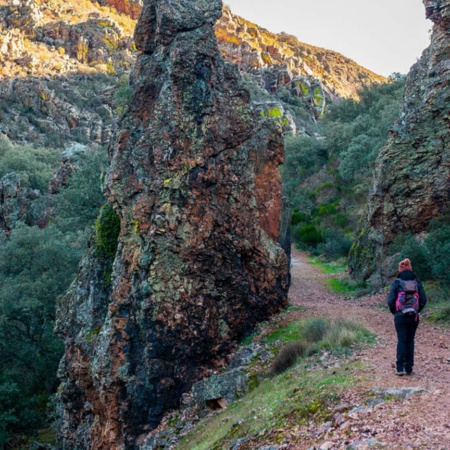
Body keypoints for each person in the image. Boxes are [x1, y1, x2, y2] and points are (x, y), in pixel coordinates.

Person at [387, 258, 427, 376]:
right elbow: (423, 300)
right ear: (410, 268)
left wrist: (396, 311)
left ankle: (399, 368)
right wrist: (416, 310)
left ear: (400, 269)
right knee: (410, 341)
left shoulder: (397, 282)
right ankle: (409, 368)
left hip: (400, 316)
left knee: (401, 340)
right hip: (413, 316)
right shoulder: (417, 282)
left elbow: (390, 300)